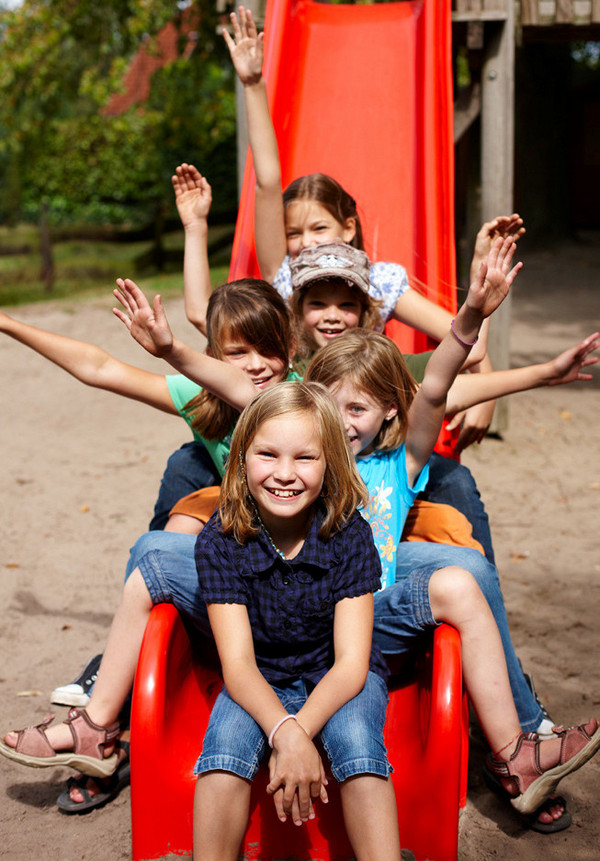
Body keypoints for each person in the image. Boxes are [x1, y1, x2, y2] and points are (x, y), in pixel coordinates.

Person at [220, 6, 528, 451]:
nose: (305, 242)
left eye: (318, 228)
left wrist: (487, 384)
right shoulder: (287, 279)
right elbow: (267, 182)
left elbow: (463, 334)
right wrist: (253, 83)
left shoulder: (378, 283)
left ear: (348, 228)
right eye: (294, 233)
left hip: (367, 426)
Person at [193, 381, 400, 857]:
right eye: (267, 455)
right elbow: (239, 666)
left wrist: (297, 733)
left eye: (305, 458)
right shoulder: (221, 539)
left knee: (358, 747)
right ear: (241, 458)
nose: (285, 474)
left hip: (338, 676)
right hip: (260, 677)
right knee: (223, 754)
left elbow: (351, 663)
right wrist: (282, 730)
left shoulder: (348, 533)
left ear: (330, 463)